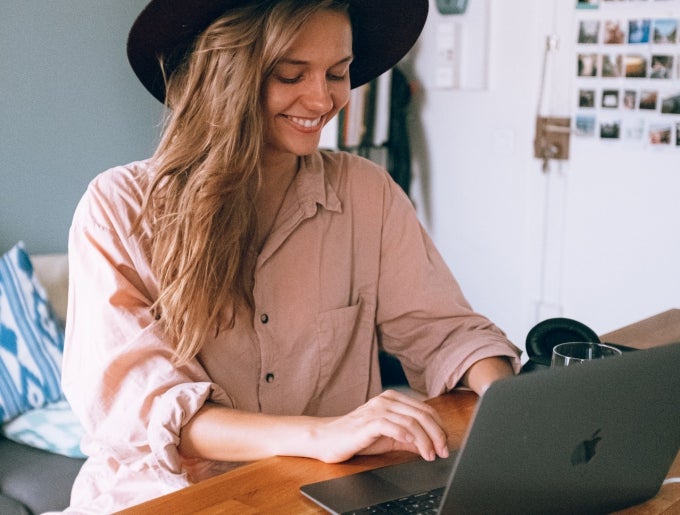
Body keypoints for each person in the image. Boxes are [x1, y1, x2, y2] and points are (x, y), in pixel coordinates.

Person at [61, 0, 521, 512]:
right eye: (290, 74)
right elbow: (147, 410)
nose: (322, 99)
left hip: (317, 497)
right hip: (164, 499)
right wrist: (322, 435)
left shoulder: (367, 193)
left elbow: (446, 332)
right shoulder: (118, 208)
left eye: (338, 73)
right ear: (226, 74)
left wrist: (511, 414)